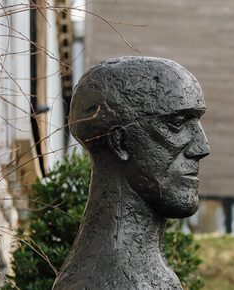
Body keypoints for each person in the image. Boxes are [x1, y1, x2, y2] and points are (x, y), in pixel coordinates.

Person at [53, 56, 210, 290]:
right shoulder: (99, 282)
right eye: (177, 124)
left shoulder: (149, 276)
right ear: (120, 142)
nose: (202, 147)